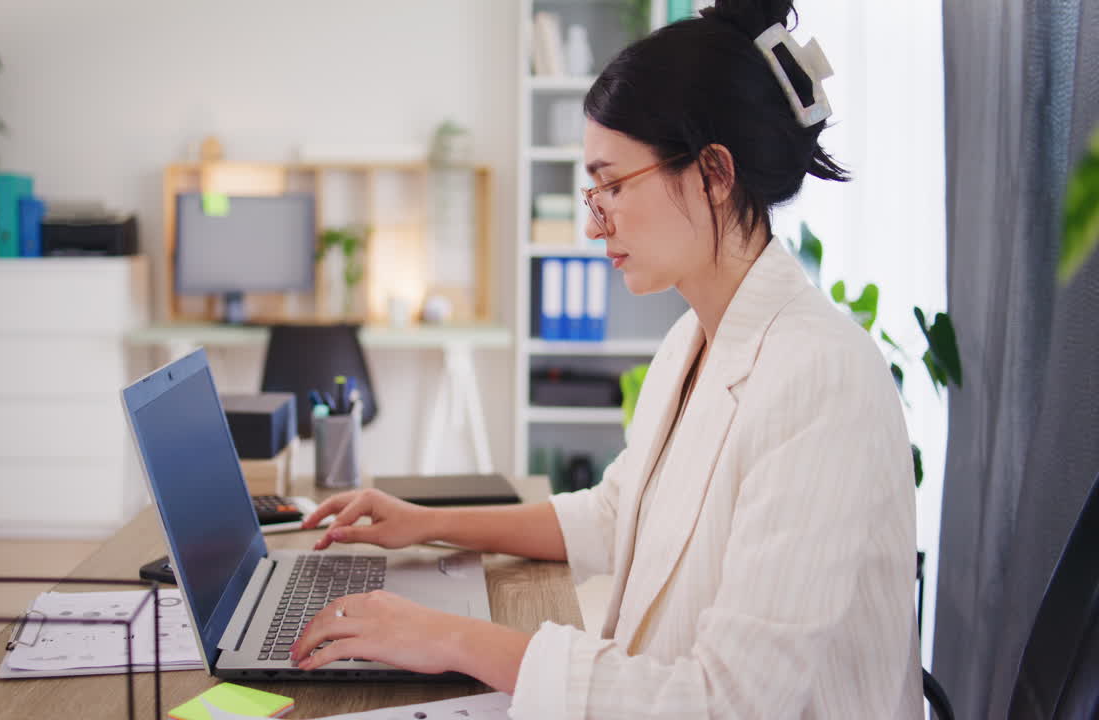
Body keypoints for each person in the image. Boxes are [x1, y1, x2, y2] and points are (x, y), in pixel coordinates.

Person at [291, 0, 922, 716]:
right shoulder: (693, 341)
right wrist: (428, 521)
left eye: (612, 185)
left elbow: (730, 703)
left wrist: (451, 638)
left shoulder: (822, 380)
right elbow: (619, 514)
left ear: (714, 173)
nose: (593, 224)